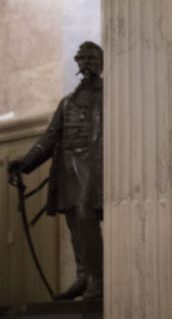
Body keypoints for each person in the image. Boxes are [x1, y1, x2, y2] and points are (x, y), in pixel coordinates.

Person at [8, 41, 104, 300]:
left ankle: (98, 278)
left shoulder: (109, 98)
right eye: (81, 59)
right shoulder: (66, 103)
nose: (85, 65)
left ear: (100, 63)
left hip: (93, 166)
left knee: (86, 218)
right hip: (68, 168)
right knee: (74, 221)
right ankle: (84, 276)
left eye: (90, 59)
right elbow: (50, 138)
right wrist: (26, 163)